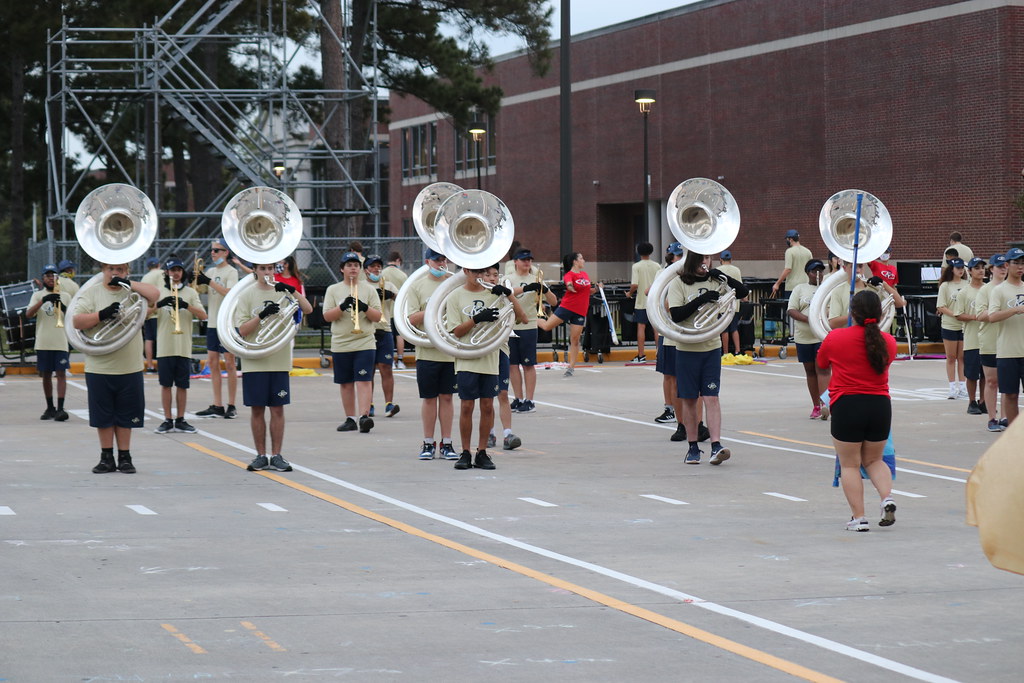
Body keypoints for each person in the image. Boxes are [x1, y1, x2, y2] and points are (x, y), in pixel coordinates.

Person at [817, 289, 899, 532]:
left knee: (850, 464)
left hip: (847, 404)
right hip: (880, 405)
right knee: (874, 459)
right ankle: (887, 497)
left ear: (852, 312)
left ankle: (859, 517)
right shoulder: (889, 341)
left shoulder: (835, 338)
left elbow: (821, 365)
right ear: (880, 312)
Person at [72, 262, 160, 474]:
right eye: (111, 269)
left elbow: (154, 295)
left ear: (127, 271)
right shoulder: (91, 292)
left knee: (126, 415)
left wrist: (127, 283)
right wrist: (101, 315)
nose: (115, 273)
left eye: (120, 269)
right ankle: (106, 457)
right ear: (103, 270)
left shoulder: (133, 293)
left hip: (129, 365)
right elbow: (76, 321)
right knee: (103, 416)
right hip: (99, 366)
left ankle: (125, 457)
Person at [667, 250, 749, 465]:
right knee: (690, 399)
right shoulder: (679, 283)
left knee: (712, 397)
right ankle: (693, 447)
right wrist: (701, 299)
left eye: (708, 258)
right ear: (692, 260)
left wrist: (722, 276)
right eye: (702, 258)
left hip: (711, 347)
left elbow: (742, 291)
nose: (706, 262)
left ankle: (716, 445)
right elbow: (676, 314)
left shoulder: (716, 279)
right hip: (686, 347)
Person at [234, 262, 313, 472]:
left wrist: (292, 290)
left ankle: (277, 455)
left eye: (270, 269)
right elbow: (241, 330)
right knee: (257, 409)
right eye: (263, 269)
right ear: (255, 271)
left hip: (279, 360)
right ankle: (261, 455)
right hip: (254, 361)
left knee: (277, 409)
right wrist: (261, 315)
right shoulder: (246, 295)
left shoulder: (283, 292)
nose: (267, 273)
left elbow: (308, 309)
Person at [446, 263, 519, 470]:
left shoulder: (494, 295)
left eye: (482, 271)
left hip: (490, 358)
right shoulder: (455, 296)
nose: (479, 275)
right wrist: (477, 319)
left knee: (487, 406)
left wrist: (508, 295)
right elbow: (457, 332)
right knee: (467, 406)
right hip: (467, 358)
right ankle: (466, 452)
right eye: (475, 271)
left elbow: (521, 317)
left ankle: (482, 452)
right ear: (466, 272)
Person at [406, 249, 458, 460]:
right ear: (428, 261)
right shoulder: (417, 286)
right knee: (429, 399)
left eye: (444, 259)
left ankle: (447, 442)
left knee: (447, 397)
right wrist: (433, 309)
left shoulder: (455, 284)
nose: (441, 263)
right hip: (427, 351)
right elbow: (411, 318)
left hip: (448, 350)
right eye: (437, 260)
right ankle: (428, 442)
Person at [323, 251, 383, 434]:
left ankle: (364, 416)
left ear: (360, 269)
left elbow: (378, 316)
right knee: (346, 382)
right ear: (342, 269)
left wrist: (364, 307)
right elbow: (327, 316)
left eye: (356, 265)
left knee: (364, 380)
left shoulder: (369, 290)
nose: (353, 268)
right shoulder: (333, 290)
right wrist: (342, 306)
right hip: (341, 343)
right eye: (349, 265)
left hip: (364, 341)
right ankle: (350, 418)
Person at [151, 259, 207, 435]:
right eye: (172, 270)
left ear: (183, 272)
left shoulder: (190, 292)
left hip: (183, 347)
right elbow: (144, 314)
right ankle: (168, 420)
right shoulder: (159, 292)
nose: (176, 273)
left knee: (182, 385)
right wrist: (159, 304)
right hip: (165, 346)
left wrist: (187, 306)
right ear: (166, 272)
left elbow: (203, 315)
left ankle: (181, 419)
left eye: (179, 270)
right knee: (166, 385)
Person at [195, 239, 239, 418]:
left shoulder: (232, 272)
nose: (212, 253)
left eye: (217, 250)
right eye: (212, 250)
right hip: (212, 322)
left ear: (225, 253)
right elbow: (203, 291)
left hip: (227, 323)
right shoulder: (211, 271)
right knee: (212, 363)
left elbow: (229, 293)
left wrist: (209, 282)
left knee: (229, 363)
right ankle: (217, 404)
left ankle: (232, 405)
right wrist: (197, 282)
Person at [507, 249, 556, 413]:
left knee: (528, 364)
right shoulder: (508, 279)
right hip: (511, 326)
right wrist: (527, 288)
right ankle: (518, 398)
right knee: (512, 365)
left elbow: (554, 301)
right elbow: (504, 293)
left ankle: (530, 400)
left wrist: (544, 289)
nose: (527, 263)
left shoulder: (536, 278)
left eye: (529, 260)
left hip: (529, 327)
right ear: (516, 262)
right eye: (523, 260)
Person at [25, 264, 72, 422]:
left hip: (61, 341)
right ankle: (50, 407)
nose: (51, 279)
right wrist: (43, 301)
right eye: (48, 276)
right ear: (43, 278)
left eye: (54, 276)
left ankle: (60, 408)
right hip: (44, 341)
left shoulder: (65, 295)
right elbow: (28, 314)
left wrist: (62, 306)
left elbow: (73, 316)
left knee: (61, 374)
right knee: (46, 375)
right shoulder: (38, 295)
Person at [537, 252, 595, 377]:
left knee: (575, 339)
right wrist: (570, 287)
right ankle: (531, 318)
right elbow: (568, 283)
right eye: (581, 258)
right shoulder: (569, 275)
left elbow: (588, 291)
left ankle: (571, 367)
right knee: (547, 326)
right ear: (575, 261)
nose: (583, 260)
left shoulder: (585, 275)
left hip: (580, 310)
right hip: (567, 307)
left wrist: (597, 289)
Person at [787, 259, 831, 420]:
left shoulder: (827, 289)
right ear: (808, 273)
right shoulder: (800, 289)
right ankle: (816, 406)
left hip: (821, 336)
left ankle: (825, 403)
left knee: (823, 369)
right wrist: (809, 319)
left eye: (820, 271)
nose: (818, 274)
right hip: (804, 337)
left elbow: (832, 310)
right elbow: (791, 310)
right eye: (814, 271)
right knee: (810, 371)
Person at [985, 247, 1024, 427]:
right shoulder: (999, 291)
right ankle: (1013, 430)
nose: (1020, 267)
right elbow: (992, 317)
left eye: (1023, 263)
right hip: (1008, 351)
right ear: (1007, 265)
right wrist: (1015, 309)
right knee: (1010, 394)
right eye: (1016, 263)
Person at [363, 254, 400, 418]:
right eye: (372, 266)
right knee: (369, 369)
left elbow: (401, 302)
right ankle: (368, 403)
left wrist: (390, 295)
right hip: (367, 330)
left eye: (379, 266)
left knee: (386, 367)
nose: (376, 269)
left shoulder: (389, 284)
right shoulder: (361, 285)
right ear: (366, 270)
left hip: (384, 329)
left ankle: (388, 404)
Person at [976, 254, 1008, 431]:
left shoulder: (1012, 288)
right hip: (989, 341)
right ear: (991, 269)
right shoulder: (985, 290)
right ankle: (991, 418)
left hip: (1009, 341)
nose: (1002, 269)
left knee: (1007, 383)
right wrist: (1000, 312)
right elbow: (979, 315)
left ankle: (1005, 416)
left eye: (1005, 266)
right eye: (999, 266)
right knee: (991, 381)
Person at [954, 257, 988, 415]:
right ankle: (972, 401)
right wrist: (976, 317)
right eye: (977, 268)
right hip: (972, 339)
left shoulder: (989, 289)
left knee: (986, 374)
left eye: (983, 267)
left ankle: (984, 401)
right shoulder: (964, 293)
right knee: (972, 374)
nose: (981, 270)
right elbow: (958, 314)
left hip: (988, 339)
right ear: (970, 271)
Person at [655, 243, 684, 426]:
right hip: (668, 328)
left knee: (677, 375)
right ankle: (669, 409)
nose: (680, 259)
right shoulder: (664, 274)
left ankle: (679, 411)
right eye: (678, 255)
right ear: (670, 257)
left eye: (682, 255)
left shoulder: (685, 275)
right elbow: (654, 296)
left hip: (679, 329)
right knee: (668, 374)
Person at [936, 256, 968, 399]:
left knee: (962, 357)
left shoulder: (968, 284)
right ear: (952, 269)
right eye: (958, 268)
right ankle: (951, 388)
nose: (960, 270)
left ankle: (962, 387)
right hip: (949, 325)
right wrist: (955, 314)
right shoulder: (945, 286)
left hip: (964, 326)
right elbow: (941, 306)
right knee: (951, 357)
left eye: (962, 268)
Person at [626, 242, 662, 362]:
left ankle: (641, 355)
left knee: (641, 327)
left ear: (638, 252)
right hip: (655, 301)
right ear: (651, 252)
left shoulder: (636, 266)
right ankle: (659, 354)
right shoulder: (657, 265)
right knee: (656, 328)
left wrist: (629, 293)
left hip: (642, 301)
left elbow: (635, 284)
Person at [384, 252, 409, 368]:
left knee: (388, 336)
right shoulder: (402, 275)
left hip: (385, 309)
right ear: (398, 260)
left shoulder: (382, 273)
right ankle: (400, 360)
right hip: (398, 309)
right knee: (399, 336)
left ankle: (390, 359)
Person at [770, 229, 811, 299]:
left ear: (791, 239)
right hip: (806, 285)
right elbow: (811, 268)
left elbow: (788, 269)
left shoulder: (789, 252)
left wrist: (777, 284)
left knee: (792, 308)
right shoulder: (808, 252)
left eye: (787, 239)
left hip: (792, 287)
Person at [716, 249, 743, 355]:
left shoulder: (718, 269)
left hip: (722, 304)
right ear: (731, 259)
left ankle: (726, 352)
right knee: (734, 328)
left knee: (724, 330)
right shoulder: (737, 270)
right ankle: (737, 350)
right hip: (734, 303)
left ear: (721, 260)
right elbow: (740, 286)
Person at [141, 256, 164, 372]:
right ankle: (161, 364)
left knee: (149, 339)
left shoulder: (145, 277)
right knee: (161, 339)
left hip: (148, 312)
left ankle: (149, 365)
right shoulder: (161, 273)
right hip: (159, 311)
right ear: (159, 265)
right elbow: (161, 292)